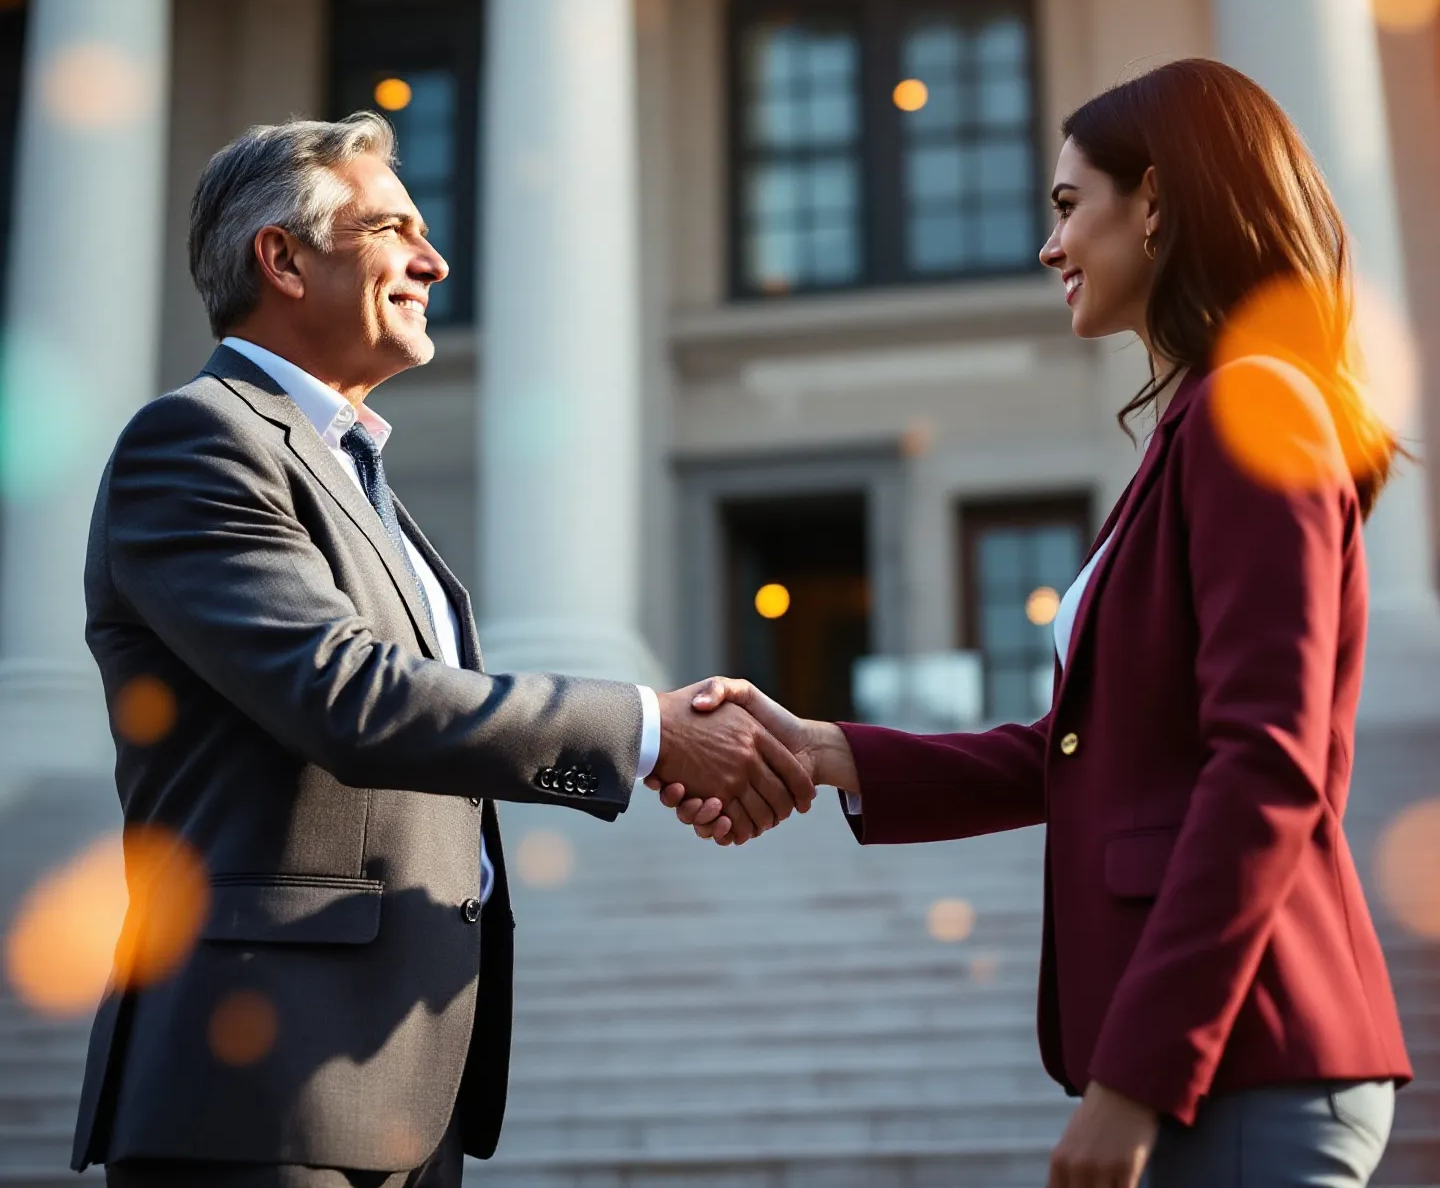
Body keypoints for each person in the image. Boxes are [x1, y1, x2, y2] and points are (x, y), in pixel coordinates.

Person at [654, 59, 1414, 1188]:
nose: (1049, 247)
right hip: (1223, 1063)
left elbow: (1270, 765)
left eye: (1069, 206)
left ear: (1154, 203)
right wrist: (822, 751)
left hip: (1247, 1057)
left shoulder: (1256, 407)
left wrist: (1142, 1076)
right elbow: (1073, 745)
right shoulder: (1204, 420)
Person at [72, 113, 811, 1187]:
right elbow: (350, 701)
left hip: (396, 1090)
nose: (435, 260)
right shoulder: (197, 441)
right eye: (393, 230)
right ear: (279, 257)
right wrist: (649, 733)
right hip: (255, 1093)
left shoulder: (357, 476)